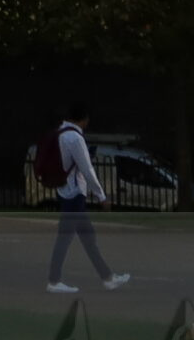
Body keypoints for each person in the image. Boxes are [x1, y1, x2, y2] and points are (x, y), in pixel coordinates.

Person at [46, 115, 132, 293]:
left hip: (65, 191)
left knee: (87, 238)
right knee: (68, 238)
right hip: (74, 194)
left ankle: (107, 277)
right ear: (82, 120)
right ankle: (54, 281)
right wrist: (101, 195)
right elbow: (87, 168)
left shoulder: (59, 133)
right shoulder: (75, 137)